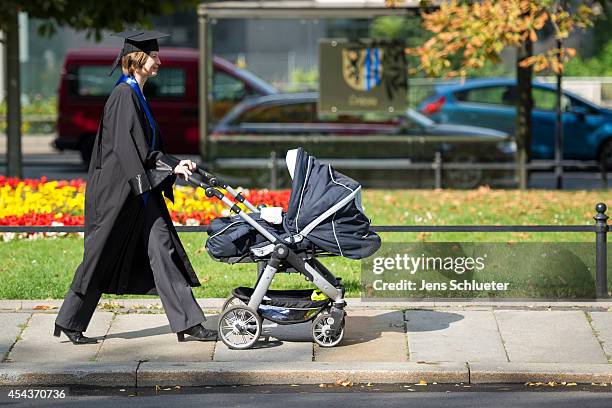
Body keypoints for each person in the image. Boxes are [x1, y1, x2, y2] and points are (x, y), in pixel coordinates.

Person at [54, 30, 217, 344]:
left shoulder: (136, 95)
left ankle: (188, 322)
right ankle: (70, 320)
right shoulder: (124, 95)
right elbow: (129, 152)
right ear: (139, 60)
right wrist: (159, 175)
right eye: (154, 56)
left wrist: (174, 165)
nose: (159, 61)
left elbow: (146, 149)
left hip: (138, 191)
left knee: (163, 249)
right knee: (100, 256)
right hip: (119, 195)